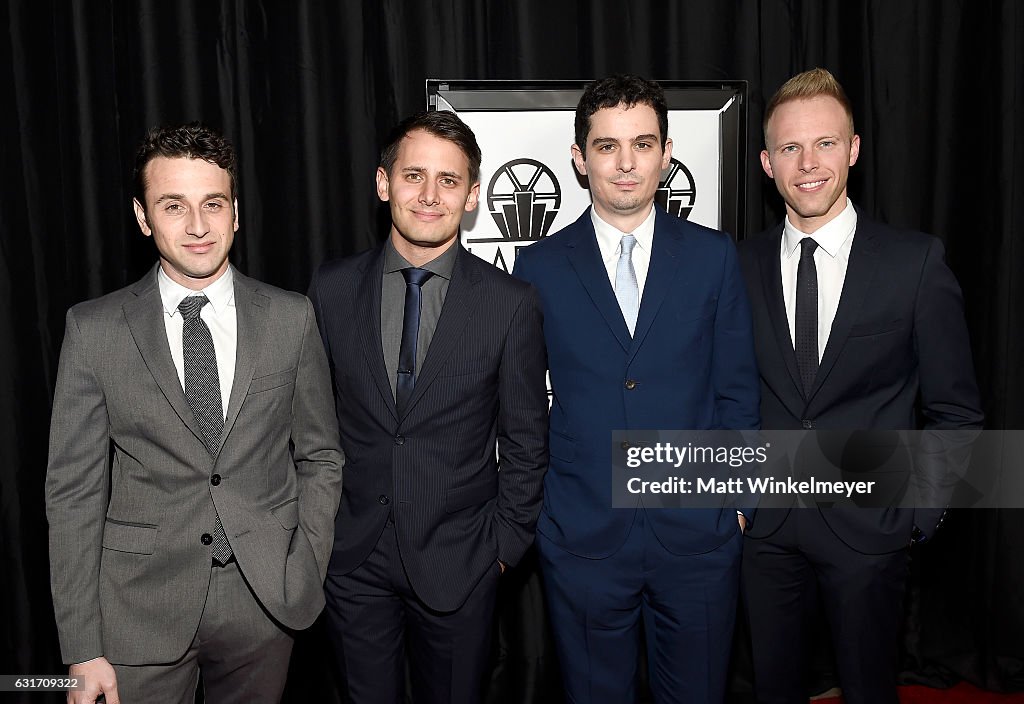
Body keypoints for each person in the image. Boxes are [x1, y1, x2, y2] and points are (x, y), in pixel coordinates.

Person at [45, 122, 344, 704]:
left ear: (236, 211)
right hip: (137, 609)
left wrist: (304, 558)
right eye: (173, 206)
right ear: (142, 217)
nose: (198, 226)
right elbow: (73, 493)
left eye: (213, 204)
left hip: (266, 600)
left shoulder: (291, 318)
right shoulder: (94, 329)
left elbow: (320, 455)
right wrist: (81, 647)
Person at [738, 68, 984, 704]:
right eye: (790, 148)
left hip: (872, 534)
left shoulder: (915, 263)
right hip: (765, 535)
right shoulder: (737, 267)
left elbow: (957, 411)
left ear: (853, 149)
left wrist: (915, 519)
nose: (808, 163)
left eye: (825, 143)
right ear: (767, 163)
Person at [512, 74, 760, 703]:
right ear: (579, 157)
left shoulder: (713, 257)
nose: (625, 164)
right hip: (582, 537)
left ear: (667, 152)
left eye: (643, 144)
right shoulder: (537, 266)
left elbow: (737, 390)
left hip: (698, 536)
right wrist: (543, 513)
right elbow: (519, 409)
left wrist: (737, 504)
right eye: (606, 146)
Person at [309, 110, 548, 704]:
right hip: (352, 558)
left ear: (471, 196)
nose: (429, 195)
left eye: (448, 180)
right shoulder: (331, 290)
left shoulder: (509, 302)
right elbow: (308, 426)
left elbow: (526, 437)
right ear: (383, 183)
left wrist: (502, 549)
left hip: (461, 560)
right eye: (414, 175)